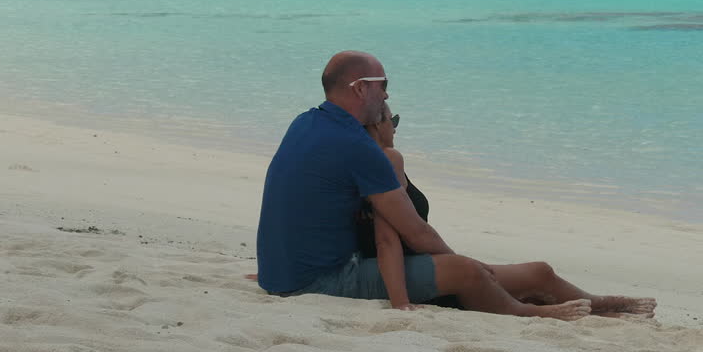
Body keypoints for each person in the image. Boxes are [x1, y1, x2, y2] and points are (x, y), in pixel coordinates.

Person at [256, 50, 594, 321]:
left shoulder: (305, 122)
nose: (387, 93)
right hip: (319, 281)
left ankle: (593, 302)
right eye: (383, 83)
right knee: (463, 269)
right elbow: (415, 234)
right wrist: (467, 267)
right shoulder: (357, 146)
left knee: (520, 272)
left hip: (280, 274)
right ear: (360, 88)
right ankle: (530, 313)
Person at [357, 99, 657, 318]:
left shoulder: (364, 160)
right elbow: (391, 236)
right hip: (424, 271)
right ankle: (595, 305)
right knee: (537, 275)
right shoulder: (388, 158)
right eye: (391, 119)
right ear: (375, 124)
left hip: (418, 265)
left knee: (538, 276)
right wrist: (402, 301)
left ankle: (598, 306)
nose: (395, 127)